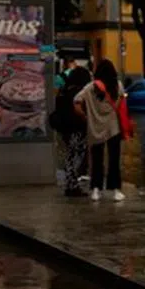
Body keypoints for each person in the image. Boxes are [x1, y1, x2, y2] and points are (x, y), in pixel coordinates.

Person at [74, 59, 132, 202]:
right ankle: (116, 190)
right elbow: (121, 103)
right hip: (113, 128)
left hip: (95, 128)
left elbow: (76, 101)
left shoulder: (90, 87)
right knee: (114, 159)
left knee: (97, 159)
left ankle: (96, 189)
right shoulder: (117, 85)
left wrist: (84, 116)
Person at [54, 62, 93, 196]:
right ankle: (72, 185)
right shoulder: (81, 94)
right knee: (77, 155)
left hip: (65, 128)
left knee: (70, 155)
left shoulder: (65, 91)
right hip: (77, 128)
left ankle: (70, 184)